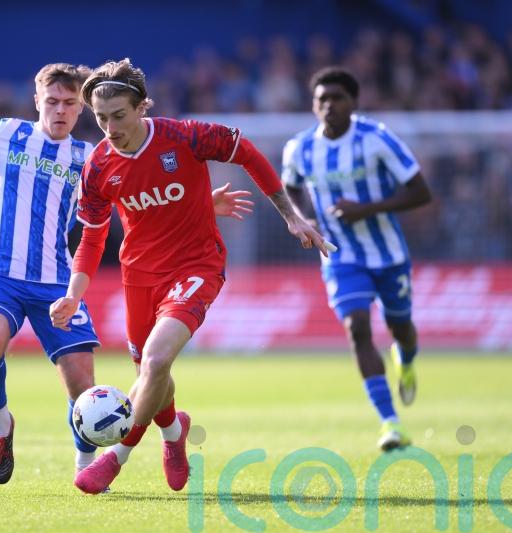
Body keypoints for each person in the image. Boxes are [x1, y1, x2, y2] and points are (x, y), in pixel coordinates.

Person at [0, 63, 254, 485]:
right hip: (0, 273)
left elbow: (137, 202)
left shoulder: (92, 157)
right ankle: (1, 427)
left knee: (81, 383)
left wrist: (198, 205)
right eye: (52, 101)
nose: (60, 110)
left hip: (58, 279)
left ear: (81, 108)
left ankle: (85, 465)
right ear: (37, 101)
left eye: (70, 103)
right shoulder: (4, 133)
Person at [49, 58, 329, 494]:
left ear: (141, 107)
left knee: (156, 361)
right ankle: (174, 433)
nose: (110, 128)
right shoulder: (99, 166)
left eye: (119, 116)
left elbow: (247, 152)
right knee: (151, 374)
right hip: (139, 275)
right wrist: (73, 293)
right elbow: (92, 238)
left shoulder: (184, 137)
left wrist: (291, 215)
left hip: (197, 266)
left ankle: (114, 458)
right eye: (101, 118)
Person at [281, 66, 432, 451]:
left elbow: (420, 192)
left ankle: (406, 359)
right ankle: (390, 423)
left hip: (388, 254)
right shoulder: (300, 148)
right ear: (313, 105)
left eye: (337, 98)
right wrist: (303, 217)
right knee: (357, 328)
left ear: (353, 102)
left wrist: (367, 208)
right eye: (322, 99)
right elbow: (289, 186)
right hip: (339, 254)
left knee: (401, 327)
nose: (329, 105)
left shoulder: (377, 139)